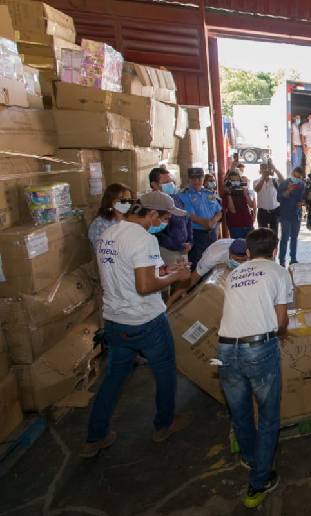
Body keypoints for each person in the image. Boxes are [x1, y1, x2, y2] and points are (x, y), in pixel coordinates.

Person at [80, 191, 191, 458]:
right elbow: (144, 286)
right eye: (164, 218)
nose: (164, 223)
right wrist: (177, 278)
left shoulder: (109, 234)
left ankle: (95, 437)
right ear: (150, 214)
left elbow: (129, 272)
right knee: (165, 372)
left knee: (113, 378)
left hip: (116, 320)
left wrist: (164, 271)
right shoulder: (144, 239)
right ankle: (164, 424)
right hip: (145, 319)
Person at [217, 228, 291, 508]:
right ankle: (259, 482)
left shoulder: (234, 274)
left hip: (225, 349)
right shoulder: (279, 272)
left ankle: (250, 458)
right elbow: (281, 321)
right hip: (258, 349)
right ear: (275, 250)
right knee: (269, 416)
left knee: (240, 411)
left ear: (247, 252)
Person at [178, 168, 222, 270]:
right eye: (193, 178)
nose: (196, 181)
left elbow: (219, 211)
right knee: (197, 264)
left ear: (203, 178)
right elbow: (191, 216)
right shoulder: (184, 195)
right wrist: (208, 224)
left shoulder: (209, 193)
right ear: (189, 179)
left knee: (212, 262)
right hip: (196, 235)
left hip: (211, 234)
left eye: (199, 178)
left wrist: (212, 222)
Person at [148, 167, 192, 268]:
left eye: (171, 181)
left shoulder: (176, 198)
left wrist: (190, 241)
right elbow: (157, 232)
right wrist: (178, 246)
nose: (171, 185)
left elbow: (187, 218)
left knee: (184, 274)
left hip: (184, 248)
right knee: (171, 274)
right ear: (154, 184)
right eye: (166, 183)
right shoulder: (152, 203)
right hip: (165, 250)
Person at [88, 183, 134, 250]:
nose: (127, 203)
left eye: (129, 200)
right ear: (110, 200)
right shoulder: (100, 223)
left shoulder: (132, 219)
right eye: (122, 200)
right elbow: (101, 249)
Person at [276, 168, 306, 266]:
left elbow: (304, 199)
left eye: (299, 177)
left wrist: (302, 203)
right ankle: (282, 260)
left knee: (294, 238)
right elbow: (279, 198)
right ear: (292, 173)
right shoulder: (284, 183)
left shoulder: (302, 185)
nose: (297, 179)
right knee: (285, 238)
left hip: (296, 215)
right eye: (295, 176)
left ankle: (293, 259)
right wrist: (288, 190)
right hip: (285, 215)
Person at [222, 169, 256, 238]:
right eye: (233, 181)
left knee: (251, 244)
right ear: (229, 182)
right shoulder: (226, 194)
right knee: (238, 244)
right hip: (235, 226)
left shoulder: (244, 190)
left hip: (248, 223)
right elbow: (232, 210)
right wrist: (229, 193)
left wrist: (246, 193)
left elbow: (251, 205)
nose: (235, 183)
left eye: (237, 181)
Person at [254, 163, 282, 240]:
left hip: (274, 211)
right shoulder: (256, 181)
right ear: (260, 171)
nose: (265, 170)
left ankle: (274, 247)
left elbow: (283, 180)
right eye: (263, 168)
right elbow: (257, 189)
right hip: (262, 212)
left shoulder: (274, 180)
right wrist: (263, 178)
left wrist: (275, 169)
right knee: (262, 235)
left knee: (274, 234)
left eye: (266, 168)